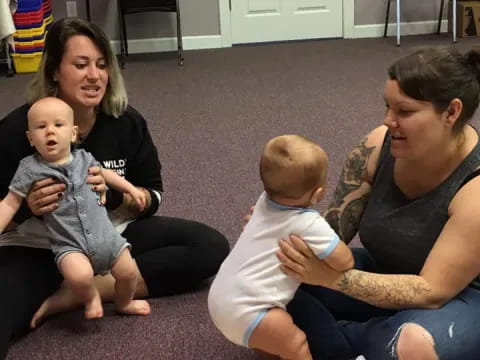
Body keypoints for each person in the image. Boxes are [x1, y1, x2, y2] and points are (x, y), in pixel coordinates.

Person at [0, 17, 229, 359]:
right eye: (81, 65)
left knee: (209, 246)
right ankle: (71, 283)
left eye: (102, 65)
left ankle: (81, 292)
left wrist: (116, 196)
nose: (95, 75)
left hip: (110, 236)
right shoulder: (18, 130)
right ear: (53, 72)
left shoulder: (127, 121)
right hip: (42, 247)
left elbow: (153, 192)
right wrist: (28, 207)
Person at [271, 46, 480, 360]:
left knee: (411, 344)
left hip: (457, 299)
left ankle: (333, 341)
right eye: (387, 106)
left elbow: (431, 291)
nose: (388, 120)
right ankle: (352, 343)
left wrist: (330, 279)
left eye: (404, 112)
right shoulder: (377, 144)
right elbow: (330, 233)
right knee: (275, 275)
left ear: (451, 112)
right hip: (383, 272)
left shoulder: (475, 188)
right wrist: (278, 223)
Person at [1, 97, 151, 325]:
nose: (50, 132)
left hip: (108, 238)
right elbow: (9, 203)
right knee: (79, 277)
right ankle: (90, 297)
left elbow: (108, 175)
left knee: (129, 273)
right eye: (41, 127)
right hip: (69, 244)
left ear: (73, 133)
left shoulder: (84, 157)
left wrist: (130, 188)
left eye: (58, 125)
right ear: (31, 139)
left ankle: (124, 303)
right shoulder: (29, 168)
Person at [210, 135, 353, 360]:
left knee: (277, 342)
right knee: (296, 344)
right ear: (318, 194)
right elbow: (345, 261)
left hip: (221, 297)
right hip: (252, 311)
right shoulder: (308, 223)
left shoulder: (263, 201)